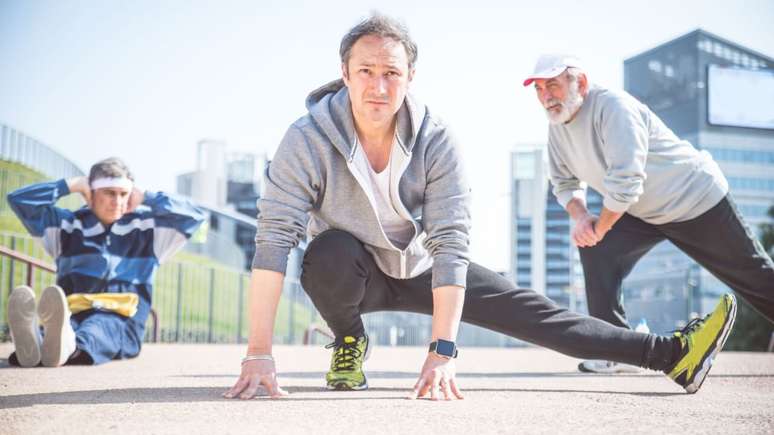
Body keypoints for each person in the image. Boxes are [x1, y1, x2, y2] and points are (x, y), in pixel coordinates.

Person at [224, 14, 737, 401]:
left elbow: (450, 244)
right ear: (344, 72)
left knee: (542, 316)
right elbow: (273, 241)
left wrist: (442, 350)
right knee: (327, 251)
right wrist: (259, 355)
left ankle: (672, 356)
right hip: (350, 271)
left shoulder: (436, 139)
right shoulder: (306, 139)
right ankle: (349, 342)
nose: (378, 87)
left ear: (411, 76)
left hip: (425, 266)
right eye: (365, 71)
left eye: (391, 73)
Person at [523, 54, 774, 373]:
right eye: (540, 89)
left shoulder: (613, 107)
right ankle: (614, 349)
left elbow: (627, 182)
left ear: (581, 83)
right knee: (595, 248)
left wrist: (600, 226)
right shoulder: (557, 127)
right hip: (642, 210)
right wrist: (582, 217)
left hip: (694, 198)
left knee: (753, 274)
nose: (546, 96)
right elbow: (563, 182)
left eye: (554, 85)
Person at [6, 157, 205, 367]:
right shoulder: (66, 226)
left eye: (123, 194)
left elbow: (195, 216)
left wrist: (147, 197)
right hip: (71, 314)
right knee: (63, 327)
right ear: (91, 193)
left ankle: (65, 347)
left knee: (97, 327)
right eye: (109, 192)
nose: (117, 201)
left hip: (121, 320)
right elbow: (19, 200)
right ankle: (36, 344)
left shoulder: (150, 230)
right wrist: (70, 185)